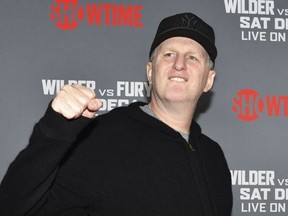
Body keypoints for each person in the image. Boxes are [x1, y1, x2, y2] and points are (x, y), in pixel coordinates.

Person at [0, 12, 233, 216]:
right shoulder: (101, 138)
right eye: (168, 54)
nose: (179, 64)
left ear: (208, 80)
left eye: (192, 57)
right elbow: (14, 207)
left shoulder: (213, 155)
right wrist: (54, 131)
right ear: (150, 73)